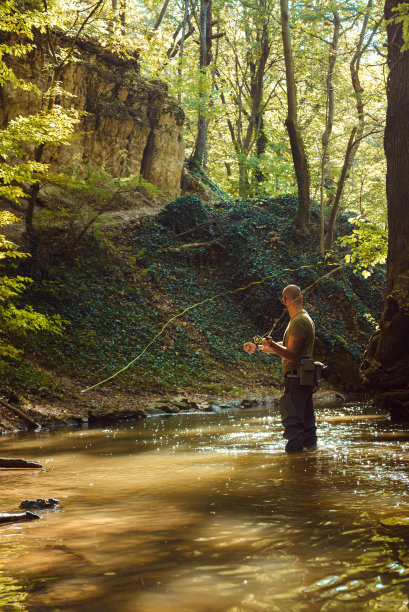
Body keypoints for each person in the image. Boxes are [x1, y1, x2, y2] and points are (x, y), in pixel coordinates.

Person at [243, 285, 317, 453]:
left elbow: (291, 354)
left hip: (296, 379)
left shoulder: (298, 321)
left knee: (293, 425)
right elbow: (289, 346)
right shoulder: (303, 318)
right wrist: (260, 348)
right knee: (307, 424)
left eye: (283, 299)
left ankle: (293, 468)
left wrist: (271, 344)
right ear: (301, 298)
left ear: (284, 301)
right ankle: (311, 464)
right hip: (304, 376)